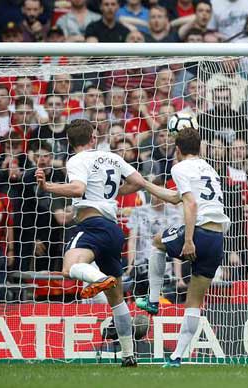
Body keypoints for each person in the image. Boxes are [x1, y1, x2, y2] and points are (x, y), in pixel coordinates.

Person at [35, 119, 145, 367]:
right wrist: (113, 194)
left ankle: (97, 279)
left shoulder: (76, 160)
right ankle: (129, 354)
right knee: (116, 300)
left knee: (68, 268)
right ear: (93, 138)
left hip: (92, 225)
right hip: (114, 230)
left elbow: (77, 189)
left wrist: (47, 186)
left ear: (69, 142)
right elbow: (137, 181)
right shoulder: (112, 157)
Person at [135, 127, 230, 368]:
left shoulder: (179, 167)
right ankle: (176, 358)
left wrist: (188, 240)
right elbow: (177, 197)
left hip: (199, 232)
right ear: (199, 148)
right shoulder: (208, 168)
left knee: (157, 242)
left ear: (177, 150)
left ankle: (154, 299)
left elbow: (189, 204)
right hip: (217, 238)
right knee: (194, 302)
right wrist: (145, 184)